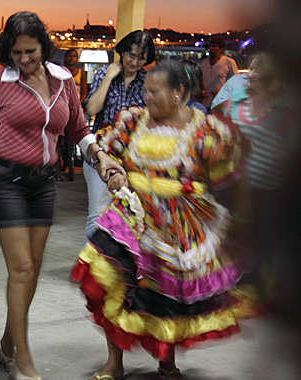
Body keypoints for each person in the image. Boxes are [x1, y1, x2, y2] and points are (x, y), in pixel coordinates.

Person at [0, 12, 120, 380]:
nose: (23, 60)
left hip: (43, 183)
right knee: (22, 269)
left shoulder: (63, 81)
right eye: (15, 53)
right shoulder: (0, 80)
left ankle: (6, 344)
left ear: (44, 46)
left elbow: (78, 127)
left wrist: (101, 155)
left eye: (29, 51)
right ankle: (21, 360)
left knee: (33, 272)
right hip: (4, 178)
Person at [71, 60, 254, 380]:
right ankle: (114, 363)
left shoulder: (206, 130)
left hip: (179, 225)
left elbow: (231, 174)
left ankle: (166, 363)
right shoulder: (134, 121)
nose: (147, 97)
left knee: (167, 295)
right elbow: (107, 151)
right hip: (133, 216)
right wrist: (113, 170)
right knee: (113, 284)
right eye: (146, 90)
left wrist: (237, 220)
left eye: (154, 91)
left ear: (178, 93)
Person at [216, 51, 297, 301]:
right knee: (230, 235)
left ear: (272, 77)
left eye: (257, 70)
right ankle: (226, 283)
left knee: (261, 242)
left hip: (268, 189)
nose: (250, 74)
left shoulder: (285, 110)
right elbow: (219, 130)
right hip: (235, 184)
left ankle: (262, 289)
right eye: (250, 68)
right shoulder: (236, 102)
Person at [83, 30, 156, 242]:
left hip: (132, 157)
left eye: (140, 58)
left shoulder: (148, 81)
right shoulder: (103, 74)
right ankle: (89, 267)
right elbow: (91, 110)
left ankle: (116, 267)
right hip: (100, 153)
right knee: (98, 212)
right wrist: (108, 78)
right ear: (122, 52)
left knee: (128, 214)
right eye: (130, 55)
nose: (134, 62)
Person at [200, 36, 238, 109]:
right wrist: (202, 91)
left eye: (214, 46)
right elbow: (200, 80)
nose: (211, 48)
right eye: (210, 46)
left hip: (221, 106)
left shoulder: (229, 62)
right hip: (205, 106)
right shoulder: (204, 63)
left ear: (221, 49)